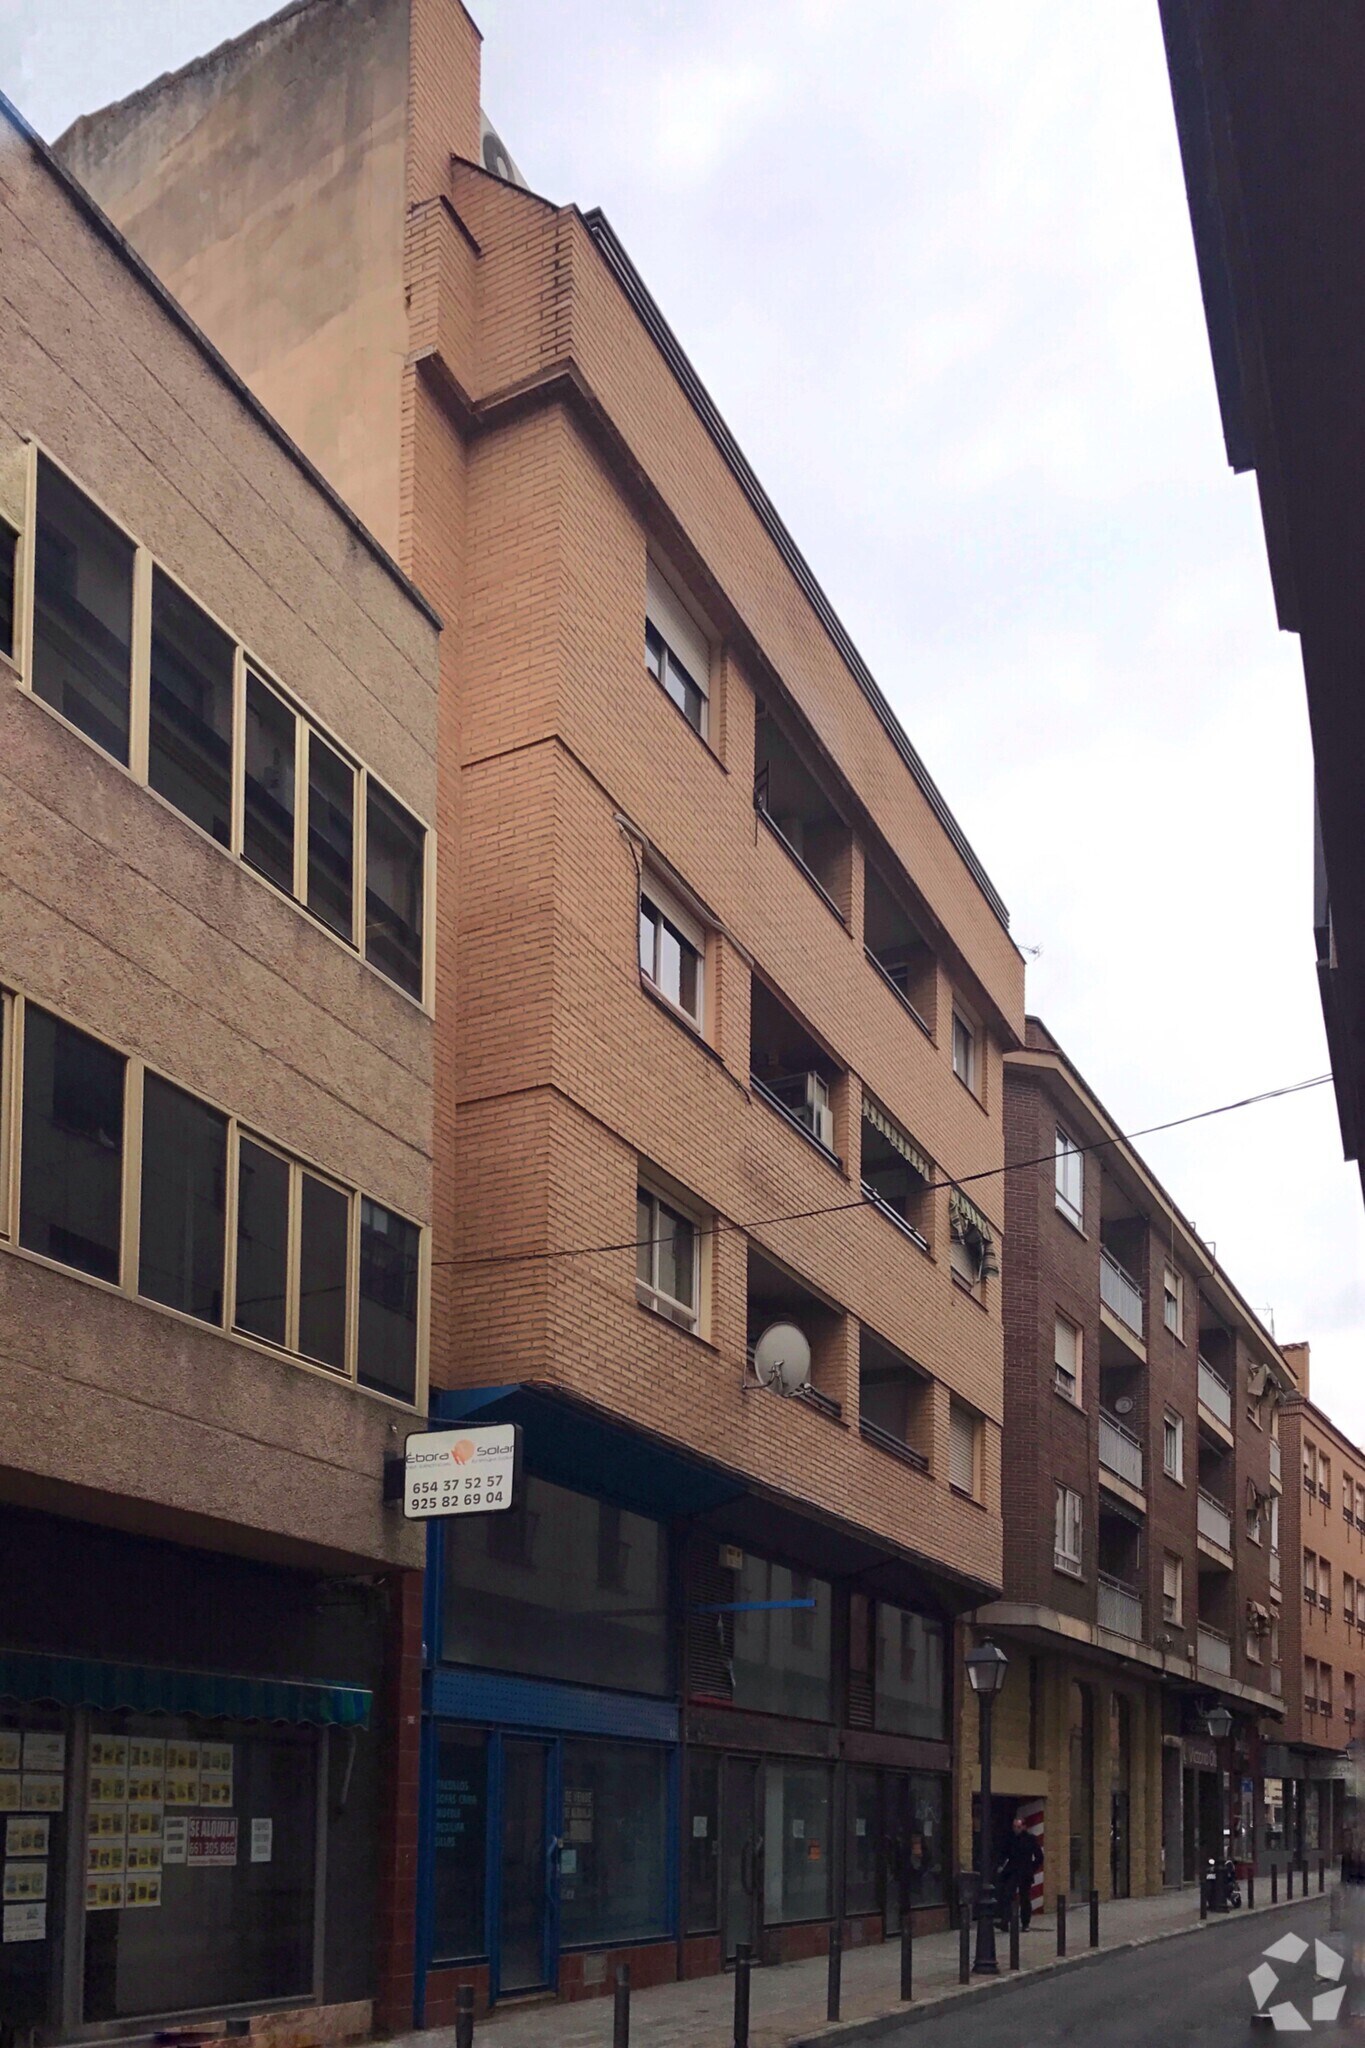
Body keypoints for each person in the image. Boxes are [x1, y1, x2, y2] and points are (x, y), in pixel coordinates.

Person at [997, 1812, 1044, 1930]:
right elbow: (1004, 1853)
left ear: (1024, 1827)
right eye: (1014, 1827)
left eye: (1018, 1827)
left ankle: (1025, 1923)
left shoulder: (1030, 1839)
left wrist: (1032, 1868)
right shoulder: (1010, 1838)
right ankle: (1005, 1921)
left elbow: (1039, 1857)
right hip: (1012, 1871)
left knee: (1025, 1898)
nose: (1016, 1829)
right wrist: (1001, 1865)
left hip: (1025, 1872)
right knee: (1008, 1895)